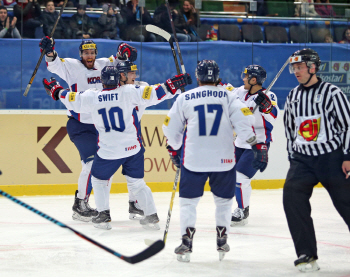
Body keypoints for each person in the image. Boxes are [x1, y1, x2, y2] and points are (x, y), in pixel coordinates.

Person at [43, 66, 192, 230]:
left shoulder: (93, 96)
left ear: (102, 81)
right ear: (119, 79)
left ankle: (103, 215)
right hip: (133, 148)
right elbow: (155, 93)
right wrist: (173, 84)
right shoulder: (130, 91)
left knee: (99, 180)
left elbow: (71, 99)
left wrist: (56, 90)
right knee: (137, 183)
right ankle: (151, 215)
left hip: (109, 150)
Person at [162, 60, 269, 262]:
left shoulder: (185, 97)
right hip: (224, 160)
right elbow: (245, 124)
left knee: (188, 203)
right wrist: (257, 146)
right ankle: (222, 238)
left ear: (198, 76)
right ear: (218, 76)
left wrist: (174, 149)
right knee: (223, 202)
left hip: (194, 159)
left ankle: (186, 239)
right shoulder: (230, 97)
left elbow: (170, 128)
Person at [39, 37, 139, 222]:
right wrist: (49, 51)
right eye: (86, 53)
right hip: (80, 125)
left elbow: (123, 61)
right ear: (80, 54)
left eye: (92, 52)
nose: (89, 56)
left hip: (101, 127)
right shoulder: (71, 66)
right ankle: (80, 204)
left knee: (107, 168)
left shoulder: (104, 64)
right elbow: (54, 65)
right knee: (91, 164)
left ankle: (108, 207)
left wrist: (125, 52)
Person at [283, 48, 350, 272]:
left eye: (300, 67)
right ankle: (306, 254)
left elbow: (347, 125)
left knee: (346, 203)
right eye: (294, 68)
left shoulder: (332, 93)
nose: (296, 72)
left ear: (312, 68)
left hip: (331, 159)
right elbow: (290, 129)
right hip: (303, 160)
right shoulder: (293, 95)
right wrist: (292, 157)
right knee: (291, 196)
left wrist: (348, 155)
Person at [230, 65, 280, 226]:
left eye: (245, 76)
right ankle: (242, 206)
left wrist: (267, 106)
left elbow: (274, 116)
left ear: (253, 80)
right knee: (232, 176)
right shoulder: (239, 92)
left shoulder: (269, 95)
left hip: (258, 143)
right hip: (240, 141)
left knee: (241, 177)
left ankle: (242, 209)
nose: (242, 78)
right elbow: (225, 93)